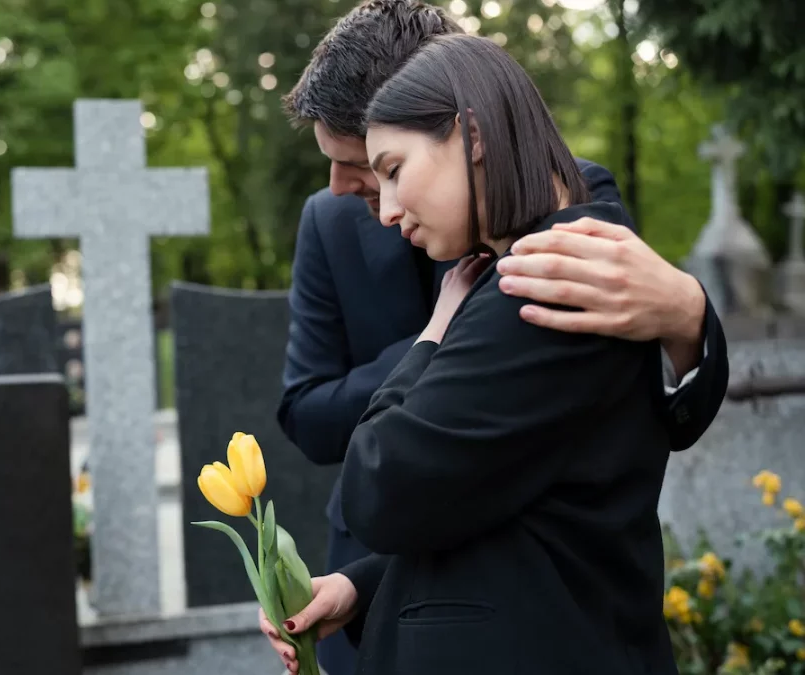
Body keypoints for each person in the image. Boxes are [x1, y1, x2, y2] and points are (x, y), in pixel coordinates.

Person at [272, 3, 728, 673]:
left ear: (457, 113)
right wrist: (441, 337)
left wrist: (691, 314)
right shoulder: (332, 223)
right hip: (401, 573)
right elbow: (309, 412)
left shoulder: (560, 236)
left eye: (375, 160)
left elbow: (582, 427)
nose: (343, 186)